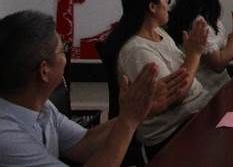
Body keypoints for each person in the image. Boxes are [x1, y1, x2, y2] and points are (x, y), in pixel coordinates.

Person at [0, 9, 160, 166]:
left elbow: (84, 144)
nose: (65, 57)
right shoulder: (6, 137)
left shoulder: (41, 106)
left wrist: (138, 112)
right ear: (44, 71)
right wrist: (128, 121)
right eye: (63, 50)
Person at [103, 0, 211, 158]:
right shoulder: (136, 50)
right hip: (171, 132)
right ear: (152, 7)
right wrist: (194, 54)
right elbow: (174, 95)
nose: (168, 4)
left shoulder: (158, 32)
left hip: (194, 115)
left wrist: (191, 53)